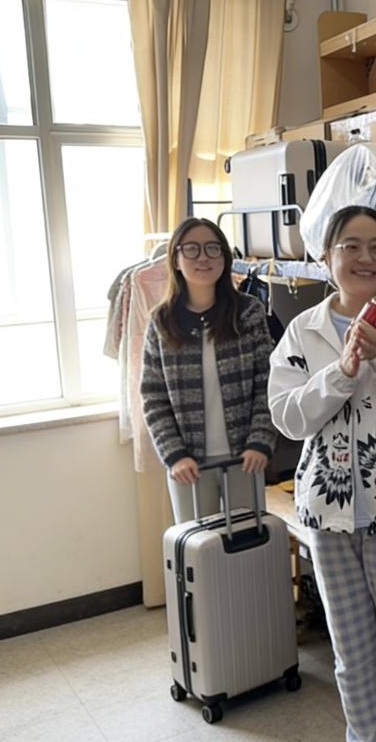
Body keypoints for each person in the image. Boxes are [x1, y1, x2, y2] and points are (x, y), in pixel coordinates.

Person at [268, 206, 376, 742]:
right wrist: (341, 373)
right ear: (326, 257)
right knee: (351, 658)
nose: (365, 257)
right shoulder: (304, 331)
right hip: (327, 516)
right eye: (350, 245)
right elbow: (288, 418)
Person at [141, 217, 277, 522]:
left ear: (224, 257)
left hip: (246, 458)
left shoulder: (249, 312)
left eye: (212, 248)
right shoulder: (162, 321)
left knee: (247, 539)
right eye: (191, 249)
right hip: (188, 464)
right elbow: (152, 397)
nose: (203, 257)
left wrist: (260, 441)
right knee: (199, 545)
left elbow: (267, 383)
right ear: (176, 259)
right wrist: (174, 454)